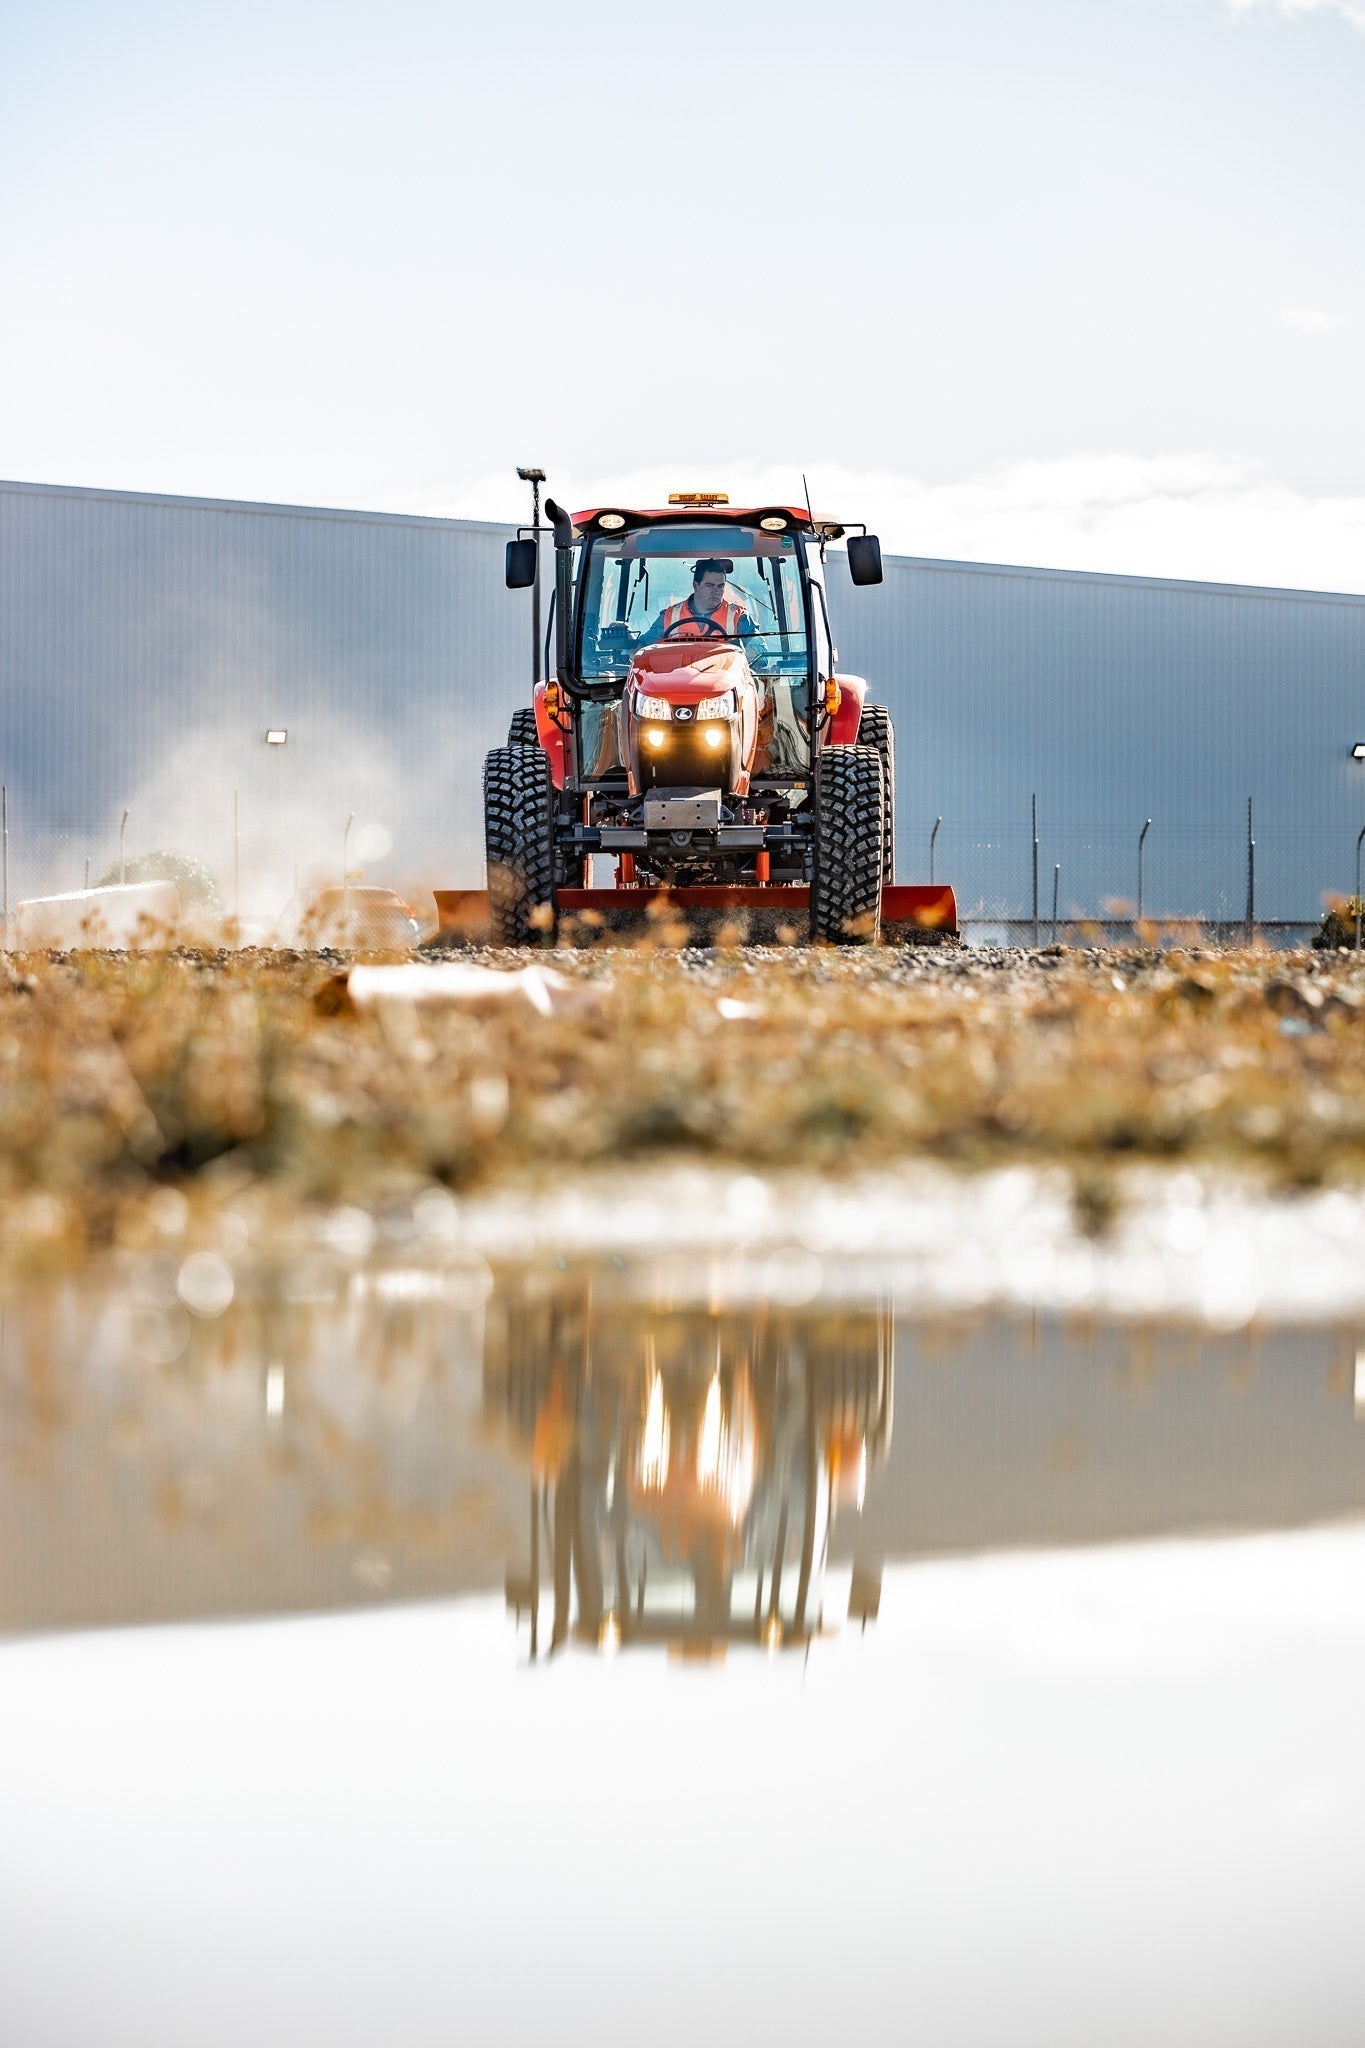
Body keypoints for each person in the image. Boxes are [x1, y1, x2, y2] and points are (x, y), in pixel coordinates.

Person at [637, 558, 762, 652]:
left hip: (723, 682)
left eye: (720, 586)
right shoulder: (669, 616)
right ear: (695, 585)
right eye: (710, 585)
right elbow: (642, 648)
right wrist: (625, 640)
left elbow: (760, 652)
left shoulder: (739, 616)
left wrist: (739, 652)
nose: (716, 591)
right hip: (675, 682)